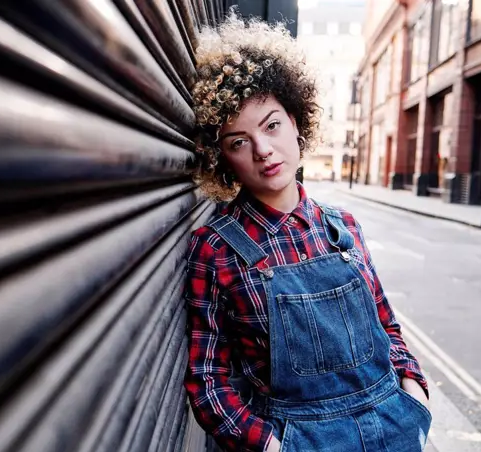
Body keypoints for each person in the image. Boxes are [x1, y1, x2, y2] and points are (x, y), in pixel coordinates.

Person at [184, 12, 431, 452]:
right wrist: (273, 447)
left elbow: (386, 326)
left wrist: (415, 394)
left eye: (272, 124)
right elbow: (208, 380)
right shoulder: (217, 250)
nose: (263, 150)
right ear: (222, 158)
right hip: (301, 439)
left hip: (394, 428)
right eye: (238, 141)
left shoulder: (343, 227)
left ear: (297, 122)